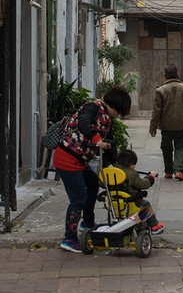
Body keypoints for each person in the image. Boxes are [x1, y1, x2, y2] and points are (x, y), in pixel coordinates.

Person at [52, 85, 132, 254]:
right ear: (114, 105)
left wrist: (117, 164)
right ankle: (69, 239)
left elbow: (108, 142)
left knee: (94, 184)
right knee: (78, 198)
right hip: (67, 158)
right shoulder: (92, 107)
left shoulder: (107, 117)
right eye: (119, 111)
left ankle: (87, 223)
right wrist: (97, 140)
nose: (118, 115)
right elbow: (84, 123)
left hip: (79, 161)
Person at [149, 64, 183, 181]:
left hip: (166, 126)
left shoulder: (160, 90)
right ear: (177, 75)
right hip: (182, 124)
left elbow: (156, 111)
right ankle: (179, 171)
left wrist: (153, 127)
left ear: (164, 76)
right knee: (180, 147)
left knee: (166, 148)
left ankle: (168, 171)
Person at [110, 149, 164, 234]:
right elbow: (143, 184)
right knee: (145, 204)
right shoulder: (133, 174)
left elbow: (101, 183)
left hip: (113, 201)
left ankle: (134, 223)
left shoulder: (111, 172)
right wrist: (151, 177)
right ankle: (154, 226)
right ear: (132, 166)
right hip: (131, 202)